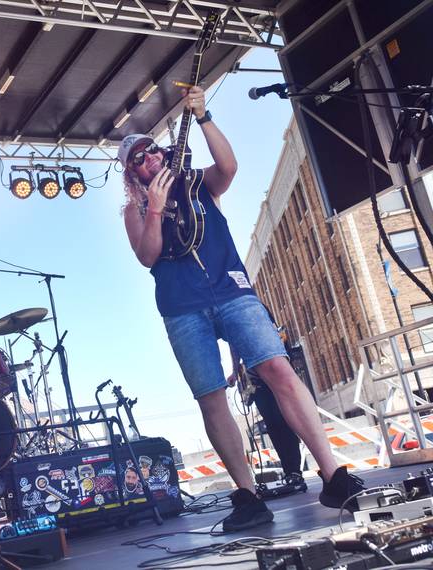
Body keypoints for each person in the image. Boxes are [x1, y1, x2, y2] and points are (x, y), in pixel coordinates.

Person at [118, 85, 364, 532]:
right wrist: (153, 209)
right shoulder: (133, 209)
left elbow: (228, 167)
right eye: (137, 158)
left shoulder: (196, 182)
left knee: (279, 370)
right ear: (130, 173)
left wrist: (205, 116)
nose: (148, 159)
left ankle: (334, 476)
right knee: (210, 396)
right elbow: (148, 256)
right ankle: (248, 495)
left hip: (231, 290)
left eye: (150, 150)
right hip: (181, 306)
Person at [228, 321, 306, 495]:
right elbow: (234, 347)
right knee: (274, 427)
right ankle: (290, 473)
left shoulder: (255, 313)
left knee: (284, 423)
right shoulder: (230, 323)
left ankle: (295, 472)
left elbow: (278, 336)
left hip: (273, 376)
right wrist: (235, 371)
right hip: (257, 384)